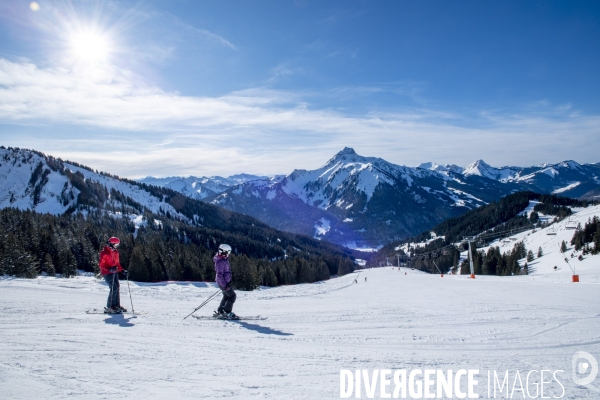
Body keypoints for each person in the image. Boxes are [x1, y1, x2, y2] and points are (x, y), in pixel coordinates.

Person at [99, 237, 128, 314]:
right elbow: (101, 265)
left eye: (118, 245)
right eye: (116, 244)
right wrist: (109, 269)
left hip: (114, 272)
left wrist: (122, 270)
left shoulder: (116, 252)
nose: (117, 246)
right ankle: (110, 306)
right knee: (113, 288)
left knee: (117, 287)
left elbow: (117, 264)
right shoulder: (104, 252)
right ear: (111, 244)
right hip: (107, 273)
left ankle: (116, 305)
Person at [213, 244, 239, 320]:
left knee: (226, 296)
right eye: (228, 252)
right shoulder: (221, 262)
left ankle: (221, 311)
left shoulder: (223, 260)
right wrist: (225, 286)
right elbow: (219, 275)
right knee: (232, 296)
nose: (228, 254)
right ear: (223, 252)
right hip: (223, 284)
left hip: (223, 283)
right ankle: (227, 312)